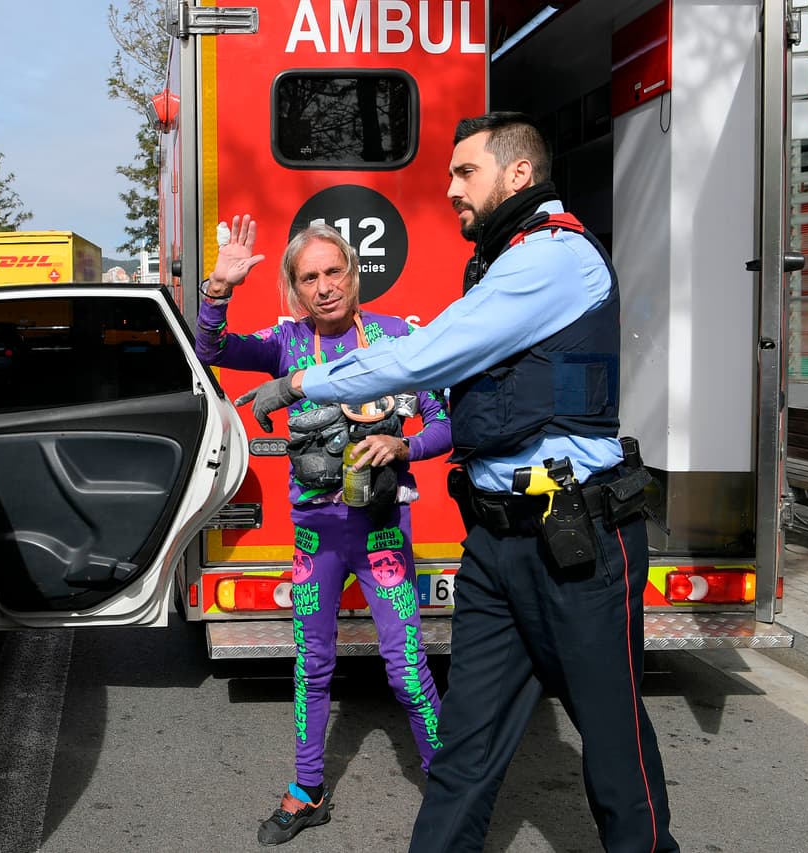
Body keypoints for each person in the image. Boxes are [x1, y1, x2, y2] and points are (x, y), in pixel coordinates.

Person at [234, 112, 680, 853]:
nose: (448, 190)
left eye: (463, 172)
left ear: (517, 174)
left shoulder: (555, 256)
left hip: (577, 542)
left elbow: (431, 355)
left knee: (613, 749)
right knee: (464, 754)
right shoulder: (502, 262)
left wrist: (302, 382)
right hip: (499, 545)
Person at [196, 216, 451, 846]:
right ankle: (308, 787)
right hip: (316, 537)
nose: (324, 286)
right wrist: (217, 290)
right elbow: (212, 353)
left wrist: (403, 445)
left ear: (353, 274)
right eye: (309, 277)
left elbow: (449, 425)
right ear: (296, 289)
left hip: (383, 534)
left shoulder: (399, 338)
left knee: (406, 667)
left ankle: (450, 784)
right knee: (311, 665)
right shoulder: (287, 343)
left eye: (333, 271)